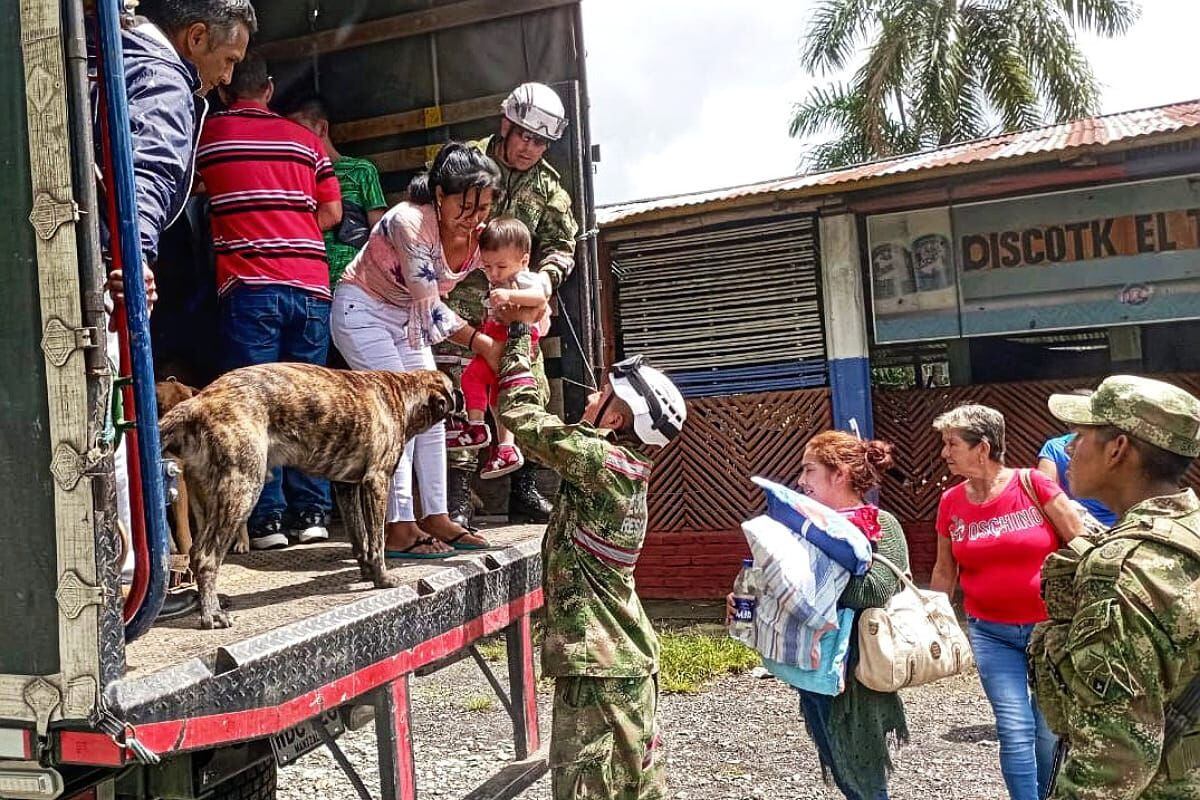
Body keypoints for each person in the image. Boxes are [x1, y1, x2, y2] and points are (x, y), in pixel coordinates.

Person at [94, 0, 255, 607]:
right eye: (228, 58)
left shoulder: (119, 53)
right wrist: (133, 259)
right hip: (107, 265)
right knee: (108, 429)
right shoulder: (163, 76)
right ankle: (119, 591)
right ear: (194, 36)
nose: (228, 77)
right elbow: (145, 171)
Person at [495, 311, 686, 799]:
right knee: (634, 786)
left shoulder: (601, 461)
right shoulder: (625, 469)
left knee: (588, 786)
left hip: (597, 665)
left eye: (602, 397)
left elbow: (521, 416)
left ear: (617, 420)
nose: (590, 396)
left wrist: (519, 339)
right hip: (618, 659)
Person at [196, 52, 342, 550]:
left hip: (250, 288)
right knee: (310, 406)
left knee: (254, 410)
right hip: (310, 285)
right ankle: (314, 513)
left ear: (223, 89)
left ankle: (265, 522)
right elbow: (332, 212)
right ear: (270, 90)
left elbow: (190, 192)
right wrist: (291, 224)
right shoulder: (306, 142)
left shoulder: (210, 136)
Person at [330, 143, 503, 558]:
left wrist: (534, 303)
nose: (474, 218)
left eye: (483, 207)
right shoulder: (410, 223)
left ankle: (436, 516)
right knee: (403, 415)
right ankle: (398, 525)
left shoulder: (479, 235)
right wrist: (483, 344)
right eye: (466, 205)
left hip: (403, 320)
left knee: (434, 412)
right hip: (363, 312)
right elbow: (430, 311)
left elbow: (512, 270)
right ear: (440, 196)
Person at [1031, 376, 1200, 799]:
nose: (1069, 447)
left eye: (1081, 435)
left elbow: (1115, 760)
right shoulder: (1190, 531)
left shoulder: (1120, 572)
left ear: (1118, 449)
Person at [729, 431, 910, 800]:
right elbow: (769, 580)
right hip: (813, 669)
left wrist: (804, 587)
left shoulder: (881, 525)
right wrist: (750, 597)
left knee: (864, 775)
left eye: (809, 470)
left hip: (858, 675)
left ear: (839, 473)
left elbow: (877, 589)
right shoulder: (804, 528)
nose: (800, 481)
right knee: (843, 769)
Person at [440, 82, 581, 529]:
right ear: (506, 123)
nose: (530, 147)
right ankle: (458, 493)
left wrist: (544, 277)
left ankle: (524, 487)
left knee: (527, 389)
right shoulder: (469, 162)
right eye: (524, 135)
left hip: (516, 309)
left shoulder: (550, 188)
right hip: (463, 300)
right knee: (461, 393)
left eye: (540, 141)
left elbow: (562, 245)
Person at [930, 404, 1083, 800]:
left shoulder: (1034, 485)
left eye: (951, 444)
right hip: (990, 633)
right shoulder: (950, 503)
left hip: (1048, 632)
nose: (945, 453)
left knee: (1047, 732)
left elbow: (1082, 546)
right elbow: (945, 570)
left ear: (982, 447)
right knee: (1014, 729)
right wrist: (930, 618)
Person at [448, 216, 551, 479]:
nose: (493, 274)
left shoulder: (525, 278)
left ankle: (507, 447)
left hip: (515, 340)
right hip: (494, 338)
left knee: (502, 394)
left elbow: (540, 297)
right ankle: (476, 427)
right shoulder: (498, 275)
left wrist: (510, 295)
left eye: (501, 266)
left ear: (524, 260)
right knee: (472, 377)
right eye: (488, 266)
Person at [286, 97, 388, 288]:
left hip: (355, 285)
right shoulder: (294, 178)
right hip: (309, 286)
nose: (295, 140)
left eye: (300, 131)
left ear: (322, 128)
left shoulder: (361, 170)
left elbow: (379, 233)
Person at [1037, 432, 1118, 528]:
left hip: (1114, 529)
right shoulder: (1055, 449)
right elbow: (1045, 500)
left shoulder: (1055, 448)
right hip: (1068, 523)